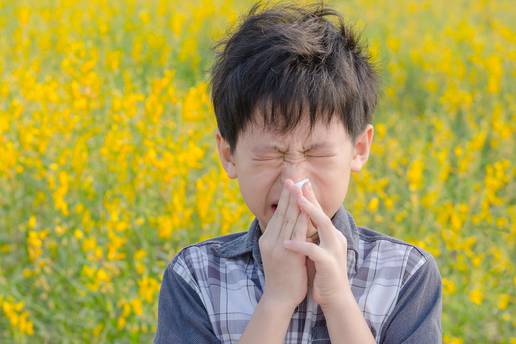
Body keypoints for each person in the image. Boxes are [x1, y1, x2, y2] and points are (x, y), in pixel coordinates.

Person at [154, 1, 442, 343]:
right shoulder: (196, 276)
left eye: (316, 153)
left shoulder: (406, 275)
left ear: (359, 149)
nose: (294, 180)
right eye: (269, 154)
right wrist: (276, 301)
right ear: (228, 154)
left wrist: (338, 300)